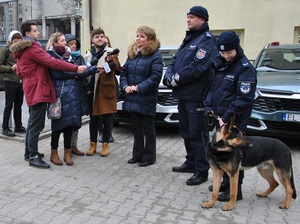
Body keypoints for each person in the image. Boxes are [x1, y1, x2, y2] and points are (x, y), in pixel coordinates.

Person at [10, 21, 87, 169]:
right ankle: (33, 156)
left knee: (33, 122)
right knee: (36, 125)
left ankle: (29, 152)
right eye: (35, 31)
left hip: (33, 87)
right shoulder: (32, 47)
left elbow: (21, 70)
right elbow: (53, 62)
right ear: (28, 34)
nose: (38, 33)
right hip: (38, 88)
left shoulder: (24, 49)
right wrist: (76, 68)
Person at [163, 6, 218, 185]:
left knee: (198, 133)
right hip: (184, 95)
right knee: (185, 131)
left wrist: (176, 79)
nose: (188, 20)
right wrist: (168, 75)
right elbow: (175, 60)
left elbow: (197, 67)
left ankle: (202, 170)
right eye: (187, 17)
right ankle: (191, 161)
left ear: (202, 20)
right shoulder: (189, 39)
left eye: (192, 17)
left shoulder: (207, 41)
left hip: (197, 96)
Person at [204, 31, 257, 201]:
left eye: (229, 52)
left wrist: (226, 116)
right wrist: (208, 106)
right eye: (222, 52)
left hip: (235, 120)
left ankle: (236, 190)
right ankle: (225, 183)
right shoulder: (222, 64)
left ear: (237, 48)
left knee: (234, 156)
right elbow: (214, 89)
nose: (225, 55)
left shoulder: (244, 69)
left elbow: (244, 99)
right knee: (222, 152)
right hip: (222, 117)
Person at [46, 32, 99, 166]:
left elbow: (79, 73)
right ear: (55, 43)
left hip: (73, 95)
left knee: (70, 125)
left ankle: (67, 152)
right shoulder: (51, 56)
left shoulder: (70, 57)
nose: (65, 42)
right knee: (57, 127)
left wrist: (94, 69)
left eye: (65, 40)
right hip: (60, 96)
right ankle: (54, 153)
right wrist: (75, 71)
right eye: (62, 40)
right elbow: (59, 73)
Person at [120, 26, 163, 167]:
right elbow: (124, 72)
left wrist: (138, 88)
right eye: (137, 35)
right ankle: (137, 155)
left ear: (150, 39)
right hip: (132, 97)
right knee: (136, 128)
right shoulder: (132, 54)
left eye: (142, 36)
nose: (138, 38)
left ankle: (149, 157)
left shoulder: (155, 56)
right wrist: (125, 86)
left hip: (146, 98)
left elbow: (155, 77)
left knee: (148, 130)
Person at [84, 28, 120, 157]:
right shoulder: (88, 55)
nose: (100, 38)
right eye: (97, 36)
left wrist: (108, 63)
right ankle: (92, 144)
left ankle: (105, 144)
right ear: (92, 40)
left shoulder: (111, 52)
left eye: (102, 36)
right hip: (92, 90)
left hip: (106, 90)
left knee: (107, 118)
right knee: (93, 120)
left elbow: (115, 66)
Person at [65, 33, 95, 156]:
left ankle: (74, 146)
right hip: (69, 91)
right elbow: (76, 73)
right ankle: (67, 147)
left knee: (77, 120)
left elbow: (85, 72)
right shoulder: (64, 58)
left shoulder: (80, 57)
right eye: (71, 44)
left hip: (80, 91)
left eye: (75, 44)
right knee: (69, 121)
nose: (74, 46)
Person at [0, 31, 26, 137]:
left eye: (19, 41)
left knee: (18, 105)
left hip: (21, 81)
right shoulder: (5, 50)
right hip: (10, 80)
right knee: (9, 105)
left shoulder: (22, 51)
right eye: (15, 41)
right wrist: (11, 68)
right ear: (11, 41)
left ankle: (18, 126)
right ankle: (5, 128)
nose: (17, 43)